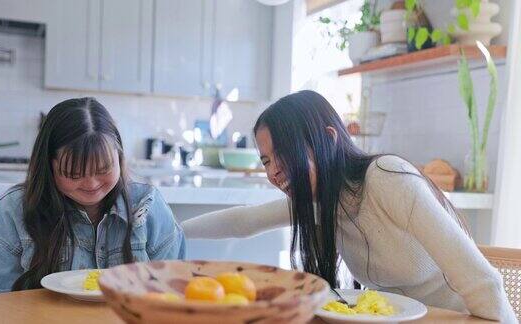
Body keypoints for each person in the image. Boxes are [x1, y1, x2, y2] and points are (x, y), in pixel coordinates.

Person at [182, 90, 516, 322]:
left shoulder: (388, 179)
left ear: (328, 139)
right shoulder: (320, 199)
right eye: (266, 160)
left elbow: (482, 283)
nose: (273, 172)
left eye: (283, 154)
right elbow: (245, 221)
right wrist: (167, 231)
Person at [0, 98, 185, 297]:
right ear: (48, 166)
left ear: (119, 157)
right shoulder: (13, 211)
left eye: (103, 169)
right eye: (74, 173)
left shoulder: (148, 207)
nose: (91, 184)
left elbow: (175, 295)